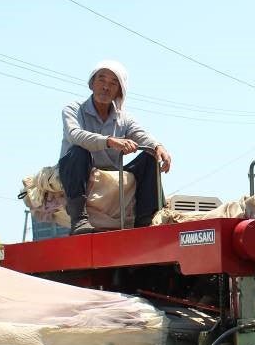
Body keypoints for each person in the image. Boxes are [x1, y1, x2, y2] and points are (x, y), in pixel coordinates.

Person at [58, 60, 172, 234]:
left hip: (111, 171)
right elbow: (75, 135)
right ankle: (79, 219)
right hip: (76, 169)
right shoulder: (73, 109)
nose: (106, 87)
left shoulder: (123, 118)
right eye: (101, 80)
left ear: (119, 90)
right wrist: (110, 140)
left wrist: (158, 147)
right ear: (92, 83)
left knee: (150, 156)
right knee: (78, 150)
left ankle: (145, 222)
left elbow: (141, 134)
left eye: (113, 83)